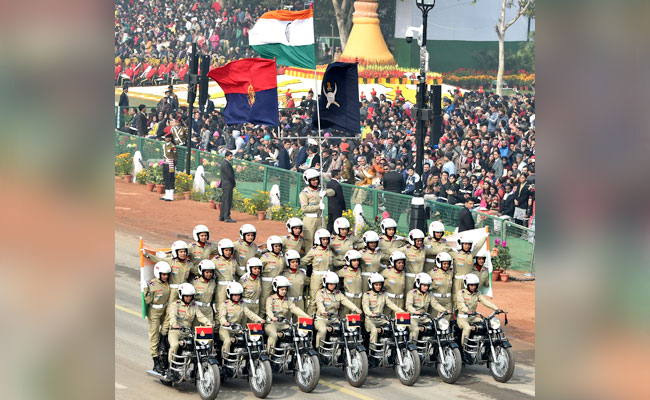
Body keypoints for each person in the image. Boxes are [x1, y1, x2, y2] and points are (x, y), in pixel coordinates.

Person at [167, 283, 212, 378]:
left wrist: (208, 323)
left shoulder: (194, 306)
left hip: (188, 332)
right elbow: (172, 316)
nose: (188, 298)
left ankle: (195, 369)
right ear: (181, 295)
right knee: (175, 345)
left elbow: (200, 316)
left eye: (190, 296)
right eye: (186, 296)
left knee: (200, 346)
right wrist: (174, 324)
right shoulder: (175, 305)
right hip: (176, 332)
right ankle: (171, 368)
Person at [314, 271, 362, 347]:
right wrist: (323, 311)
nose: (333, 286)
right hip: (322, 319)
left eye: (334, 284)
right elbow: (319, 304)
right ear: (325, 283)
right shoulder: (320, 293)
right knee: (323, 331)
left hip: (334, 319)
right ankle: (319, 350)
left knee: (345, 329)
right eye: (330, 284)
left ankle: (343, 350)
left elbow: (346, 301)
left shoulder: (338, 293)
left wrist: (356, 309)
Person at [302, 229, 345, 314]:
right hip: (317, 277)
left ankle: (324, 316)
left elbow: (334, 262)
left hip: (328, 277)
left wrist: (345, 262)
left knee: (328, 298)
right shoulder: (314, 250)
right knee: (314, 299)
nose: (325, 241)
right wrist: (295, 263)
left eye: (326, 239)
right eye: (323, 239)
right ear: (319, 239)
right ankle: (311, 317)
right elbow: (304, 260)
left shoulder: (329, 250)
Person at [264, 276, 310, 353]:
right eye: (282, 289)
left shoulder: (287, 300)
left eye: (285, 290)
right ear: (276, 288)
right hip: (271, 324)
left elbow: (295, 308)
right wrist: (272, 317)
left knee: (295, 332)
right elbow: (268, 310)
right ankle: (270, 355)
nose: (284, 291)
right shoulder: (270, 299)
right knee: (274, 335)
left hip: (283, 324)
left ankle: (293, 353)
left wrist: (307, 316)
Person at [218, 282, 265, 358]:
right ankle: (225, 360)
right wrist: (224, 322)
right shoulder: (225, 304)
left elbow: (249, 313)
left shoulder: (242, 304)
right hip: (225, 329)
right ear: (230, 294)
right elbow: (221, 316)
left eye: (239, 295)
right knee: (227, 341)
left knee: (248, 338)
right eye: (235, 295)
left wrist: (259, 320)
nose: (237, 297)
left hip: (238, 329)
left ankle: (249, 359)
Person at [455, 274, 502, 347]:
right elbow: (461, 304)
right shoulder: (461, 293)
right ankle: (464, 347)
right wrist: (467, 310)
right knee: (467, 328)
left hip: (472, 318)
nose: (473, 287)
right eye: (471, 285)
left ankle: (487, 345)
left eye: (475, 285)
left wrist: (496, 308)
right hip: (462, 318)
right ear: (466, 284)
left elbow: (485, 301)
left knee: (487, 323)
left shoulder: (477, 293)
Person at [144, 261, 171, 373]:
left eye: (167, 274)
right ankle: (156, 362)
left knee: (165, 332)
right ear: (158, 274)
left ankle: (164, 351)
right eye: (163, 274)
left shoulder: (168, 283)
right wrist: (146, 290)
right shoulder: (152, 284)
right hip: (154, 312)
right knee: (154, 335)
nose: (165, 276)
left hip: (165, 310)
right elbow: (147, 300)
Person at [363, 273, 405, 344]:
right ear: (371, 284)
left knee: (392, 327)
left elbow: (391, 304)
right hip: (370, 320)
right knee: (374, 330)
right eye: (376, 285)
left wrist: (402, 312)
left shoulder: (384, 295)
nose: (378, 287)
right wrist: (371, 314)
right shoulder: (366, 295)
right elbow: (365, 307)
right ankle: (373, 350)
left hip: (381, 319)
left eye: (380, 285)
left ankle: (392, 348)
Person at [405, 273, 447, 341]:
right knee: (415, 330)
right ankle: (413, 348)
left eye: (427, 286)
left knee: (436, 326)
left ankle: (434, 346)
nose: (426, 287)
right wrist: (414, 311)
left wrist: (445, 310)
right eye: (424, 285)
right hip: (412, 317)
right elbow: (408, 306)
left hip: (424, 317)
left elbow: (435, 304)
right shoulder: (412, 293)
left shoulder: (429, 294)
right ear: (418, 284)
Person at [299, 169, 334, 248]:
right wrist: (318, 207)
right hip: (310, 220)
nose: (316, 182)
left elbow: (333, 192)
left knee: (322, 239)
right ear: (308, 181)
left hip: (320, 218)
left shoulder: (320, 190)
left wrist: (325, 193)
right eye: (313, 180)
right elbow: (304, 208)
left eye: (317, 179)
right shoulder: (304, 193)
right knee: (309, 241)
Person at [397, 229, 437, 294]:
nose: (420, 243)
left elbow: (436, 251)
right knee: (408, 295)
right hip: (408, 278)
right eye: (418, 241)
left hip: (420, 278)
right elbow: (394, 252)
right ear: (412, 240)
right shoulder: (406, 249)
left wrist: (450, 248)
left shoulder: (424, 249)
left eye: (421, 241)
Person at [260, 236, 285, 316]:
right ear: (271, 246)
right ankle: (261, 321)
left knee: (276, 303)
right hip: (266, 283)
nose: (278, 248)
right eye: (275, 246)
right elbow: (258, 268)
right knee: (264, 303)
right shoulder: (265, 257)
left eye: (279, 246)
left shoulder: (282, 257)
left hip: (278, 283)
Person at [337, 250, 364, 316]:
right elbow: (335, 276)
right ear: (349, 261)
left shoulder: (361, 270)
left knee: (356, 318)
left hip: (359, 299)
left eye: (358, 260)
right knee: (344, 316)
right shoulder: (344, 270)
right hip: (348, 298)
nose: (356, 262)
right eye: (354, 260)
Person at [428, 252, 454, 321]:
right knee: (434, 320)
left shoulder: (451, 272)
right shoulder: (433, 273)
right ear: (439, 263)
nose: (446, 266)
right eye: (444, 264)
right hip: (436, 300)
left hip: (448, 302)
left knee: (446, 322)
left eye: (448, 264)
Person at [381, 251, 408, 317]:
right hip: (389, 300)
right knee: (386, 319)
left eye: (402, 263)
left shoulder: (404, 273)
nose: (401, 264)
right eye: (399, 263)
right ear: (393, 262)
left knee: (398, 321)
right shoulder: (386, 271)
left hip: (400, 301)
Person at [191, 259, 218, 325]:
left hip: (208, 309)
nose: (209, 274)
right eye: (207, 272)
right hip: (198, 308)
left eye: (211, 272)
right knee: (195, 329)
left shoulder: (213, 282)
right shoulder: (195, 282)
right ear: (201, 272)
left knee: (209, 329)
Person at [213, 239, 239, 303]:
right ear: (221, 250)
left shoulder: (233, 261)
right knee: (220, 305)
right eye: (226, 250)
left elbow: (240, 272)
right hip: (221, 287)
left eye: (230, 250)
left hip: (232, 286)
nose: (228, 252)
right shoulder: (215, 260)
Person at [240, 257, 263, 323]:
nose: (257, 270)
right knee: (244, 323)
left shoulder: (258, 279)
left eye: (259, 268)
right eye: (255, 268)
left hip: (256, 305)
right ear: (249, 268)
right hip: (246, 304)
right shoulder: (244, 279)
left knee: (254, 326)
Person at [325, 169, 346, 234]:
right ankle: (334, 236)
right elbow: (340, 198)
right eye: (339, 174)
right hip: (337, 207)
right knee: (336, 222)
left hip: (330, 206)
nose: (340, 175)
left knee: (330, 222)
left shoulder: (329, 183)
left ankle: (327, 234)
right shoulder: (337, 185)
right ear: (337, 175)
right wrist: (343, 207)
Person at [220, 151, 236, 222]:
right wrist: (233, 183)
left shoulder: (224, 163)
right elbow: (230, 176)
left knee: (224, 200)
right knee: (227, 201)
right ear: (226, 156)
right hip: (228, 185)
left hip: (225, 184)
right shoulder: (226, 164)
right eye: (230, 156)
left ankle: (222, 216)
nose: (231, 157)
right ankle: (227, 217)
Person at [160, 130, 177, 201]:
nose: (165, 139)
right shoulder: (164, 145)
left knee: (171, 178)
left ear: (170, 138)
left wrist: (174, 164)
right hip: (165, 162)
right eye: (165, 137)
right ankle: (167, 193)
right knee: (166, 177)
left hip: (171, 163)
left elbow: (175, 157)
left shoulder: (173, 146)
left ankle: (171, 195)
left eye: (167, 137)